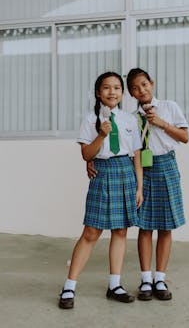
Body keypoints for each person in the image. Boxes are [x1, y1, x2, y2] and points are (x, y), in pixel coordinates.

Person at [59, 71, 143, 309]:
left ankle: (114, 285)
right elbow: (86, 154)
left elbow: (136, 155)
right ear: (98, 92)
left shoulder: (129, 120)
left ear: (122, 92)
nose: (112, 92)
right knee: (91, 233)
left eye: (117, 88)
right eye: (106, 88)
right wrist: (101, 134)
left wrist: (139, 187)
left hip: (126, 173)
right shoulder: (90, 119)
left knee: (120, 231)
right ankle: (69, 286)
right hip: (103, 173)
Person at [126, 67, 189, 301]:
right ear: (131, 94)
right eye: (135, 88)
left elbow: (185, 137)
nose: (141, 90)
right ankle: (145, 279)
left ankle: (160, 278)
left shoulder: (170, 107)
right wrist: (138, 186)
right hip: (144, 168)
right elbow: (135, 152)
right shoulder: (132, 118)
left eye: (144, 84)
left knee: (165, 225)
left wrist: (161, 123)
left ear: (152, 83)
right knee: (145, 225)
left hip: (167, 166)